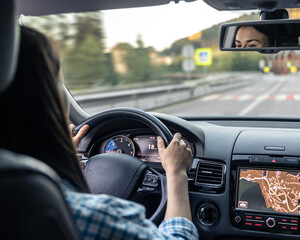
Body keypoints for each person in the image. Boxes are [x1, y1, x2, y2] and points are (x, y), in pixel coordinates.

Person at [0, 26, 198, 240]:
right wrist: (177, 173)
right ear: (47, 102)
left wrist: (60, 160)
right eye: (59, 84)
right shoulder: (92, 215)